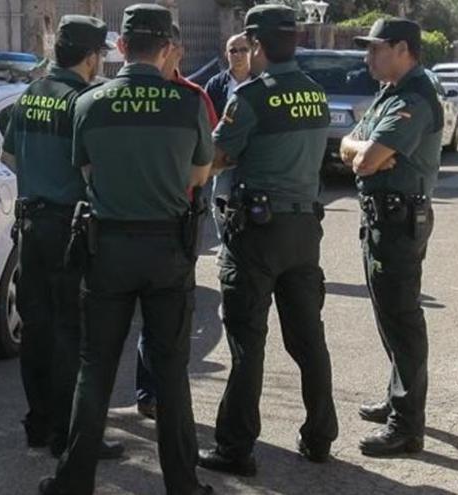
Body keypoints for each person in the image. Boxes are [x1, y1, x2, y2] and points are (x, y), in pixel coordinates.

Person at [39, 4, 214, 494]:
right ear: (167, 49)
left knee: (94, 370)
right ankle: (183, 485)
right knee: (172, 373)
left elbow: (87, 172)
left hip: (107, 248)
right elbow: (199, 177)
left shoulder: (90, 103)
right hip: (167, 250)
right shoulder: (188, 104)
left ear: (120, 47)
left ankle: (73, 481)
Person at [197, 4, 339, 477]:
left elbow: (217, 158)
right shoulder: (317, 94)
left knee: (246, 343)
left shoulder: (252, 98)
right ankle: (320, 436)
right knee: (309, 340)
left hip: (256, 234)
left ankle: (236, 448)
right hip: (304, 232)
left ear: (256, 44)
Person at [0, 15, 124, 461]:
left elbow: (11, 157)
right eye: (99, 57)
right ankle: (69, 436)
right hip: (71, 228)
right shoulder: (84, 101)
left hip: (30, 226)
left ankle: (38, 424)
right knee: (73, 333)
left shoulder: (30, 94)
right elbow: (93, 172)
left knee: (37, 329)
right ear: (91, 57)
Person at [341, 18, 442, 457]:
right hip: (384, 217)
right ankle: (398, 397)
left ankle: (407, 426)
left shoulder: (414, 97)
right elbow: (354, 147)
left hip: (399, 221)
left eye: (375, 48)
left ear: (403, 49)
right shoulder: (392, 94)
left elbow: (368, 158)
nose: (368, 57)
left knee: (402, 319)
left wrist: (365, 155)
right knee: (388, 314)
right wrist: (361, 151)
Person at [135, 22, 218, 422]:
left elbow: (205, 165)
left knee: (169, 317)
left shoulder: (194, 97)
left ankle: (160, 391)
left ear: (177, 52)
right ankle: (149, 390)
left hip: (176, 221)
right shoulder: (124, 96)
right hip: (130, 221)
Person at [205, 33, 251, 238]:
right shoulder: (216, 84)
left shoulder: (261, 81)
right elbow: (207, 118)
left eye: (243, 50)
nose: (238, 55)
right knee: (220, 200)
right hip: (224, 157)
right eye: (233, 50)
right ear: (226, 54)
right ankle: (225, 242)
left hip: (253, 155)